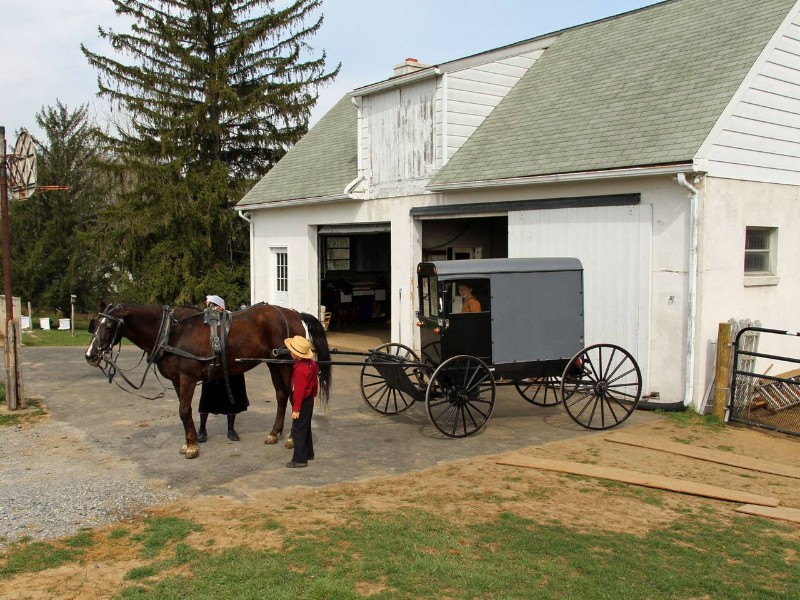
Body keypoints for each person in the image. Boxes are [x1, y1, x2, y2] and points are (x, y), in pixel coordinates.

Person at [197, 294, 249, 443]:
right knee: (206, 398)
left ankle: (231, 429)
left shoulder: (231, 322)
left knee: (232, 399)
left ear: (220, 307)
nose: (209, 308)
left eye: (212, 305)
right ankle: (202, 429)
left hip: (231, 365)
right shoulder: (206, 323)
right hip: (212, 365)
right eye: (208, 305)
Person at [284, 334, 319, 468]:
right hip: (309, 400)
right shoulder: (312, 364)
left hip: (303, 401)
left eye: (291, 351)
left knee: (298, 429)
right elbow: (314, 382)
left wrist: (296, 409)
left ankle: (299, 459)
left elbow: (298, 392)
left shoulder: (300, 370)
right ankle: (308, 452)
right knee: (306, 427)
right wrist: (314, 395)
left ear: (296, 354)